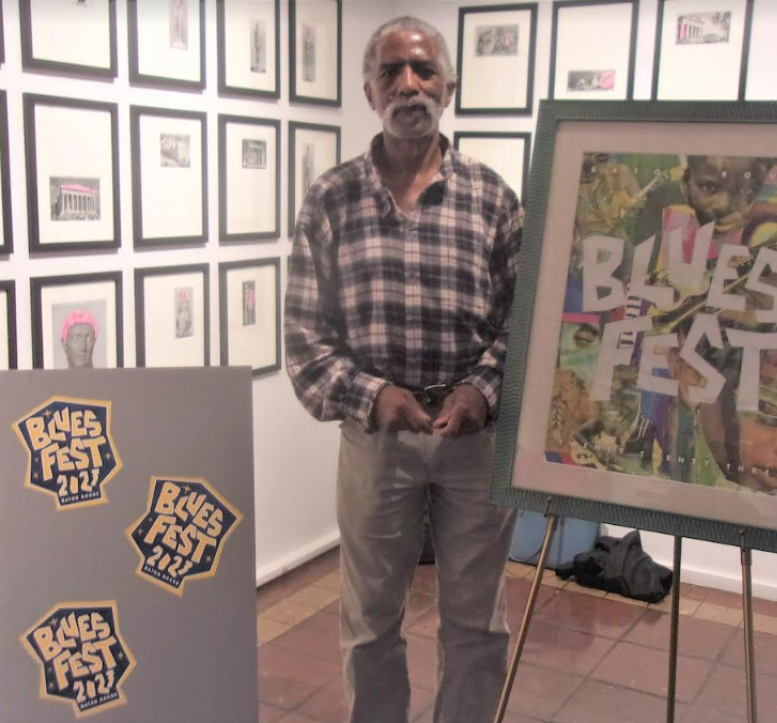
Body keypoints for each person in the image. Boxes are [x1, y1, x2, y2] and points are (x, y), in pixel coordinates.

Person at [284, 16, 523, 723]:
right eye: (391, 71)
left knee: (477, 625)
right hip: (376, 441)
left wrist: (483, 387)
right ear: (368, 90)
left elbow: (524, 324)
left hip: (473, 443)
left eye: (422, 69)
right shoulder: (330, 200)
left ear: (450, 85)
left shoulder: (493, 199)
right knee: (369, 626)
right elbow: (304, 340)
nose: (408, 83)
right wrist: (371, 394)